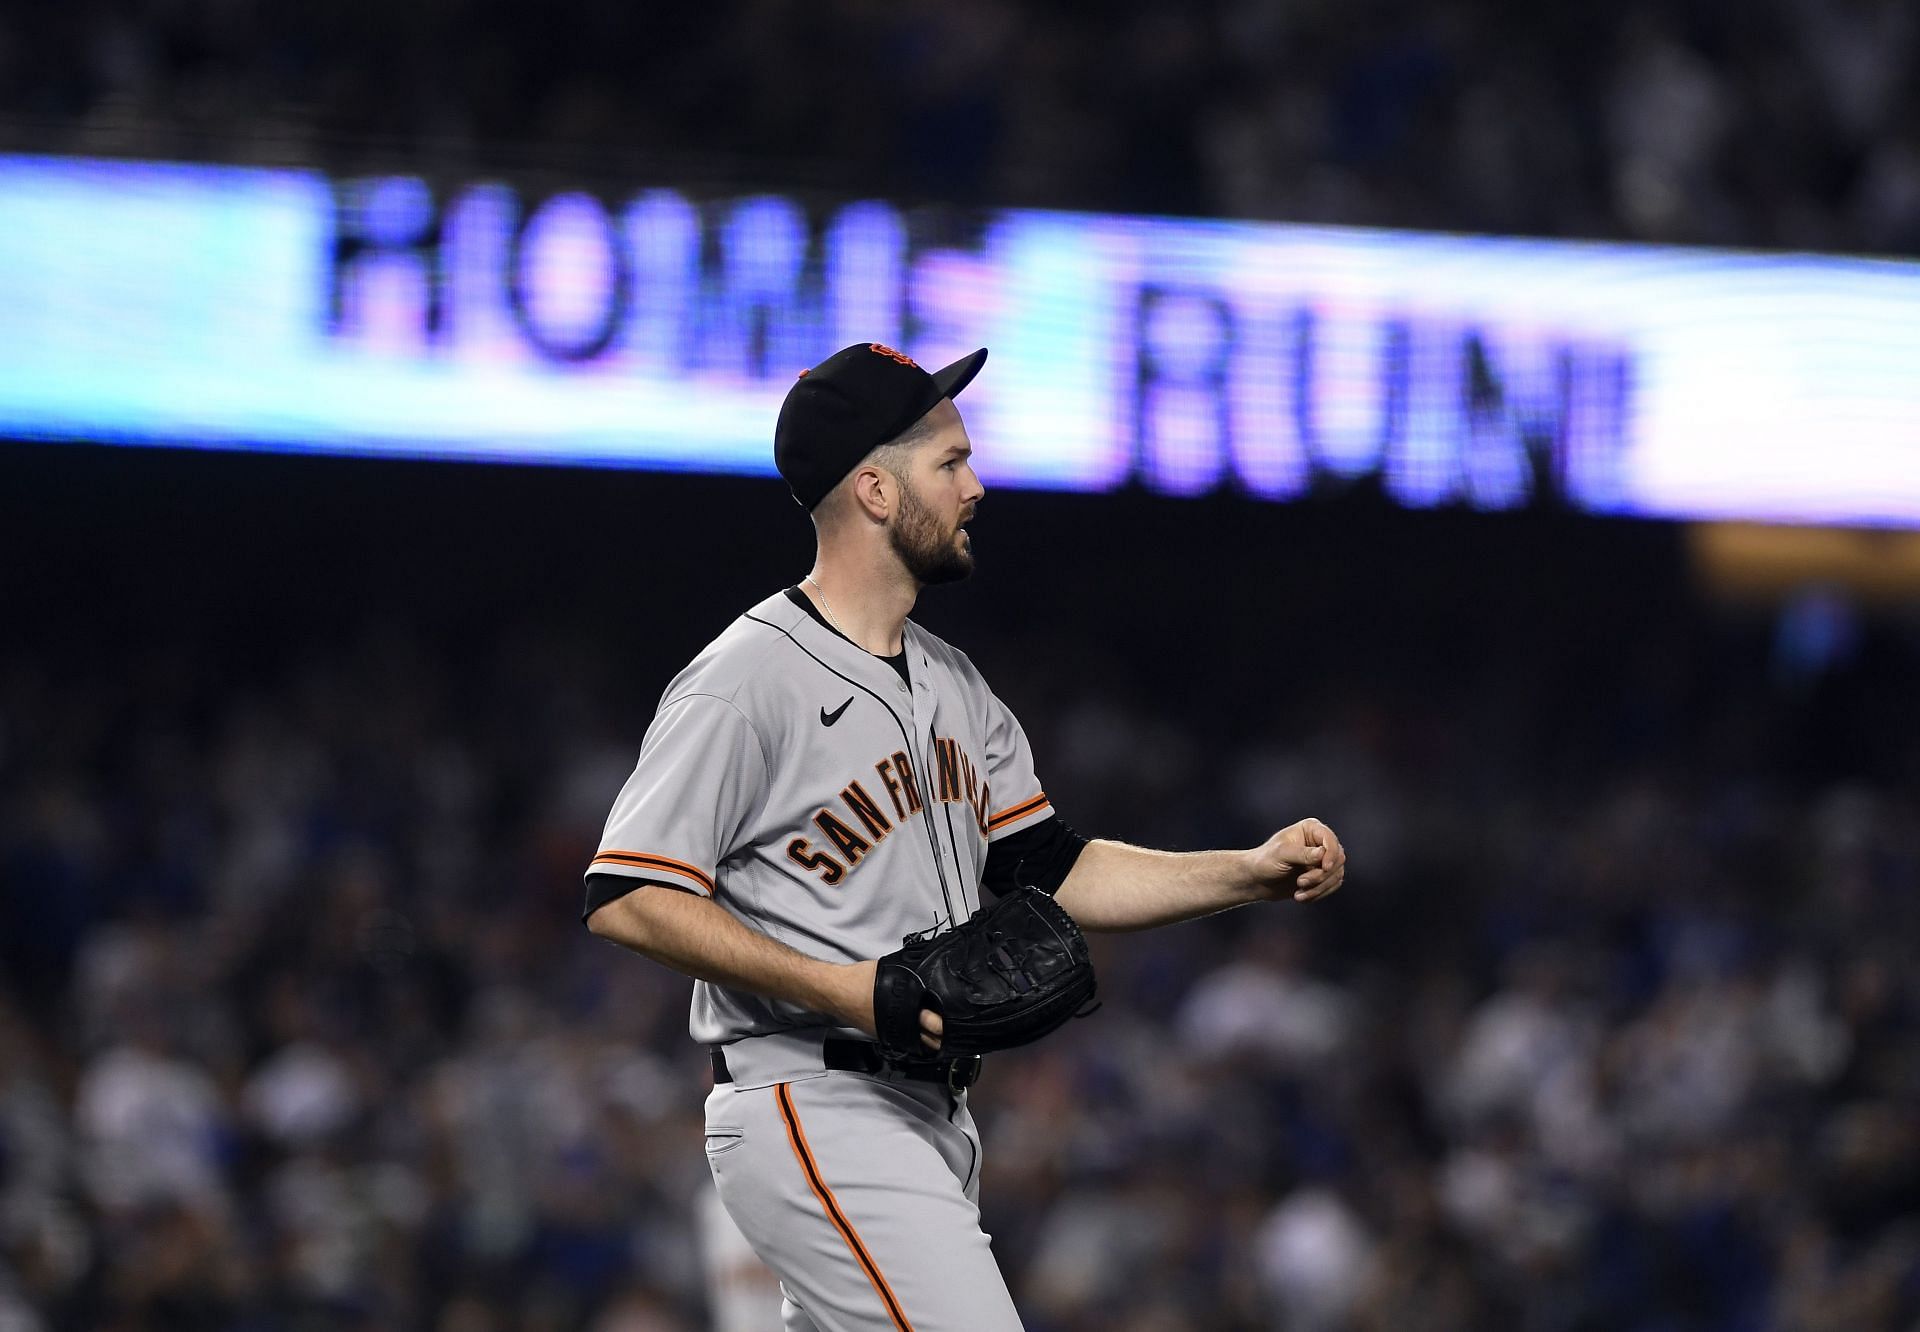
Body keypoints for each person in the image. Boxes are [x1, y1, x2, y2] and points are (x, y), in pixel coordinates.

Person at [582, 341, 1347, 1331]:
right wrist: (845, 986)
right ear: (873, 489)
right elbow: (629, 894)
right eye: (949, 463)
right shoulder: (747, 678)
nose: (975, 486)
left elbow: (1053, 869)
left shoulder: (955, 685)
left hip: (932, 1114)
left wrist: (1246, 874)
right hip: (813, 1101)